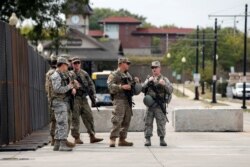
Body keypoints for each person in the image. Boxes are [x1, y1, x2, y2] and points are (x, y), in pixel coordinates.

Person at [107, 57, 140, 147]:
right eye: (127, 63)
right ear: (121, 64)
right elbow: (110, 86)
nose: (128, 65)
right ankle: (112, 139)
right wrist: (121, 87)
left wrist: (135, 82)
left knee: (127, 119)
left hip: (127, 100)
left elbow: (130, 86)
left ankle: (122, 139)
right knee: (117, 119)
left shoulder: (127, 75)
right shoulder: (114, 74)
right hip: (119, 100)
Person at [70, 57, 103, 144]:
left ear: (80, 64)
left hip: (84, 98)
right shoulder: (70, 74)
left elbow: (91, 83)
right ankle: (76, 137)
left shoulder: (84, 73)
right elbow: (68, 85)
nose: (76, 65)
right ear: (72, 64)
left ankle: (92, 136)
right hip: (75, 99)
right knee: (75, 118)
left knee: (89, 117)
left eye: (78, 63)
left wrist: (93, 94)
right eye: (75, 63)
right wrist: (75, 87)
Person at [142, 61, 173, 147]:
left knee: (161, 122)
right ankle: (147, 139)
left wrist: (164, 85)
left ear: (160, 68)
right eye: (152, 67)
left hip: (160, 105)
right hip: (150, 105)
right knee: (148, 122)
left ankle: (162, 139)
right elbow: (142, 89)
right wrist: (148, 82)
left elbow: (170, 90)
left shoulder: (164, 79)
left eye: (156, 67)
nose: (154, 69)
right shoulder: (149, 78)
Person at [50, 57, 76, 151]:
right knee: (63, 123)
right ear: (62, 65)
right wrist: (69, 87)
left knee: (60, 122)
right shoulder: (56, 75)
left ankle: (57, 144)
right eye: (66, 65)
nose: (67, 67)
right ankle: (62, 144)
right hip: (59, 101)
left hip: (62, 101)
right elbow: (57, 89)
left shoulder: (61, 74)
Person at [45, 54, 57, 145]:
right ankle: (56, 138)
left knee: (53, 120)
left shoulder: (48, 73)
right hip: (56, 99)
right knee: (58, 120)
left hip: (50, 99)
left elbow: (46, 88)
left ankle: (53, 138)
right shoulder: (55, 73)